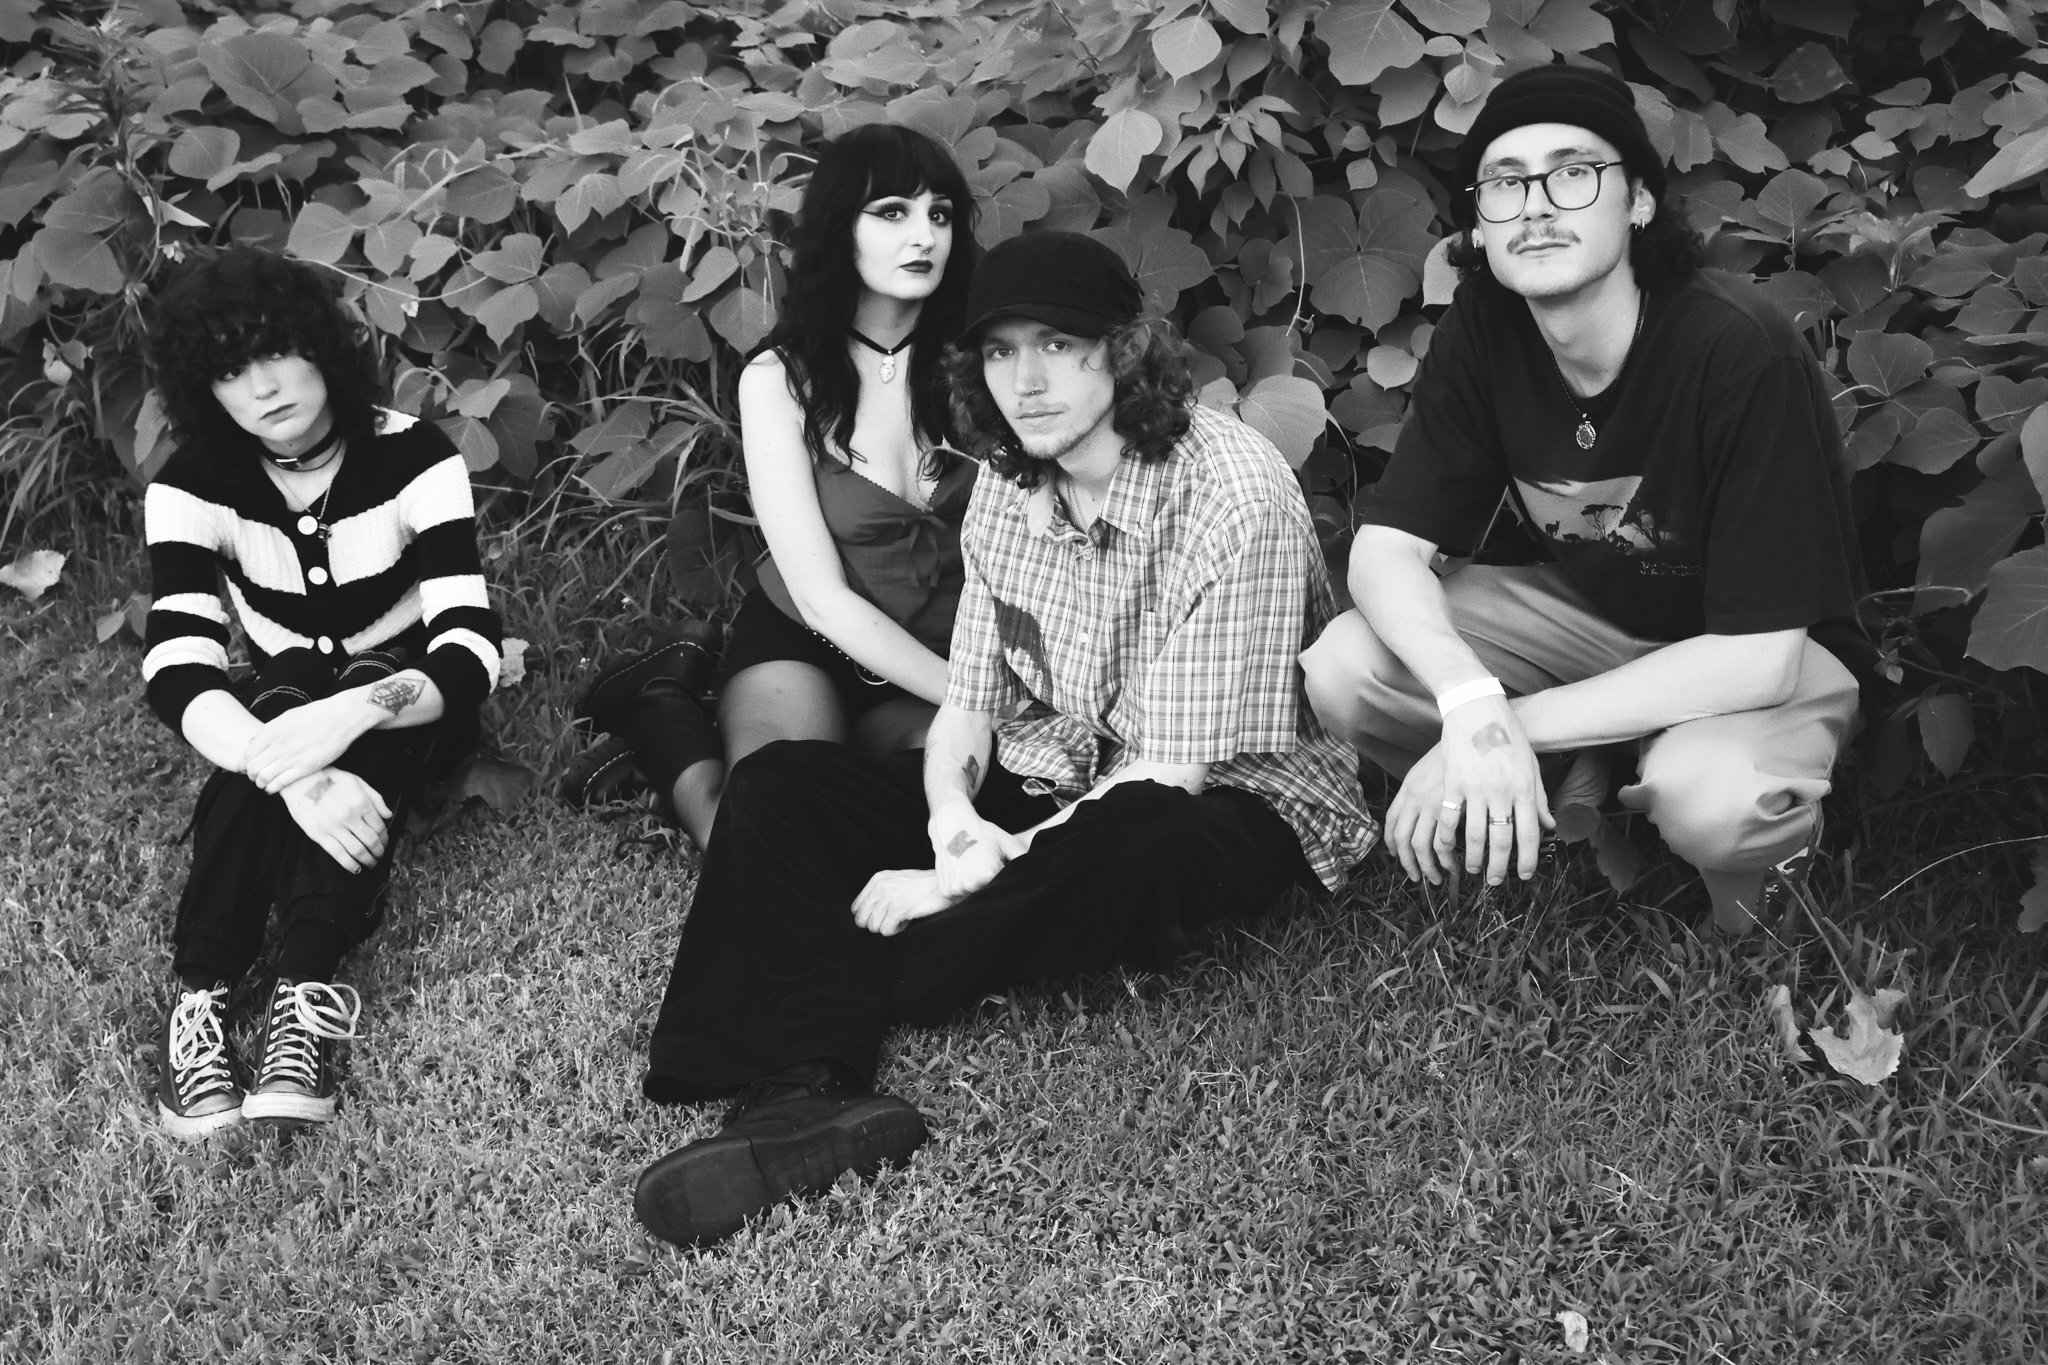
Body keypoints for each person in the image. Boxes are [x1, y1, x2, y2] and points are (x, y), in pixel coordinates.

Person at [628, 230, 1376, 1249]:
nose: (1025, 381)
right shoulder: (1009, 483)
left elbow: (1170, 773)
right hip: (1066, 754)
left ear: (1125, 351)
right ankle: (800, 1092)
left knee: (1134, 839)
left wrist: (962, 879)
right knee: (782, 786)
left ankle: (843, 967)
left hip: (1232, 793)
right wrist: (948, 821)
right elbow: (971, 703)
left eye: (1058, 346)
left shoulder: (1230, 492)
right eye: (999, 352)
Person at [1300, 64, 1863, 933]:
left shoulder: (1739, 349)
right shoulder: (1485, 328)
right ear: (1480, 224)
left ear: (1638, 201)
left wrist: (1499, 725)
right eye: (1505, 183)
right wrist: (1468, 698)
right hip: (1595, 614)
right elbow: (1386, 550)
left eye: (1572, 173)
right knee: (1348, 667)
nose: (1535, 207)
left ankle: (1759, 867)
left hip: (1762, 650)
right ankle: (1554, 788)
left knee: (1711, 799)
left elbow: (1761, 658)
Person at [142, 248, 501, 1137]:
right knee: (285, 693)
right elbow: (179, 666)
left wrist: (346, 718)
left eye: (275, 351)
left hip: (411, 704)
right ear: (204, 388)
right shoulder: (187, 484)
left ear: (320, 347)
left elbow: (468, 648)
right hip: (283, 702)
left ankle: (303, 990)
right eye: (230, 369)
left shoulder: (416, 454)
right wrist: (296, 771)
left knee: (344, 697)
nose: (263, 386)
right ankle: (203, 995)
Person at [561, 123, 979, 850]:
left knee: (927, 814)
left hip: (939, 647)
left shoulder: (981, 363)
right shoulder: (781, 379)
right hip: (809, 640)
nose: (924, 236)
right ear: (839, 227)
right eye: (892, 212)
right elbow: (821, 599)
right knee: (758, 830)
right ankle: (661, 703)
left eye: (939, 214)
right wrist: (977, 700)